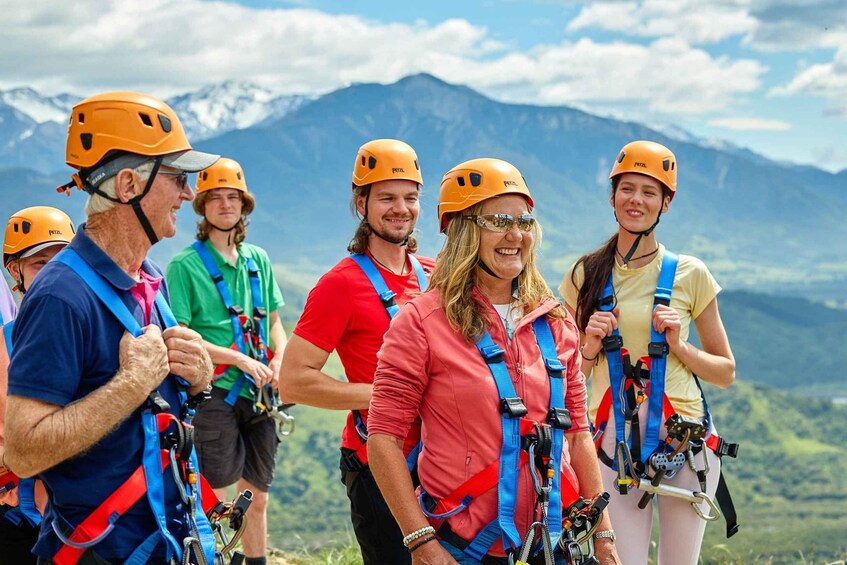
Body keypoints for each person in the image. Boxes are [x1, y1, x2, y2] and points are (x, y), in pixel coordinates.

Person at [3, 91, 221, 564]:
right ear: (127, 185)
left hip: (163, 537)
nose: (189, 194)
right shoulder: (61, 296)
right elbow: (23, 451)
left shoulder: (149, 279)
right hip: (100, 550)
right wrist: (131, 385)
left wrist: (196, 379)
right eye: (178, 177)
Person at [367, 158, 620, 565]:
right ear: (464, 229)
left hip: (552, 544)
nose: (515, 234)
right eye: (499, 220)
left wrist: (604, 537)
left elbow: (577, 435)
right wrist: (421, 543)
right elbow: (383, 439)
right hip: (462, 548)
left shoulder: (554, 323)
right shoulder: (422, 323)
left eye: (524, 221)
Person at [558, 140, 737, 564]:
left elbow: (725, 371)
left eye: (649, 191)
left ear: (666, 203)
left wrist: (679, 345)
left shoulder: (691, 274)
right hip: (610, 442)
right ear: (612, 195)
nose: (635, 199)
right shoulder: (584, 274)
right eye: (627, 188)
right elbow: (562, 377)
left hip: (683, 442)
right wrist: (588, 346)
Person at [280, 139, 434, 564]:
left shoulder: (434, 275)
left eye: (410, 197)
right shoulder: (340, 285)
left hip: (442, 459)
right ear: (361, 203)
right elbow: (293, 379)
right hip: (377, 464)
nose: (400, 208)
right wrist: (380, 396)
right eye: (387, 197)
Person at [166, 157, 287, 565]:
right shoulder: (184, 265)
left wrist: (282, 358)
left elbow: (273, 322)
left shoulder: (258, 260)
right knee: (217, 494)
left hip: (259, 391)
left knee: (258, 495)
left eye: (232, 197)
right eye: (215, 198)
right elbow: (181, 336)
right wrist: (237, 357)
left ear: (244, 205)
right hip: (215, 392)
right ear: (202, 207)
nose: (225, 205)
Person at [0, 206, 74, 565]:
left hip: (81, 511)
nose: (53, 273)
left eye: (62, 261)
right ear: (15, 272)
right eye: (39, 263)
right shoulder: (7, 341)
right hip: (19, 512)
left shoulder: (90, 331)